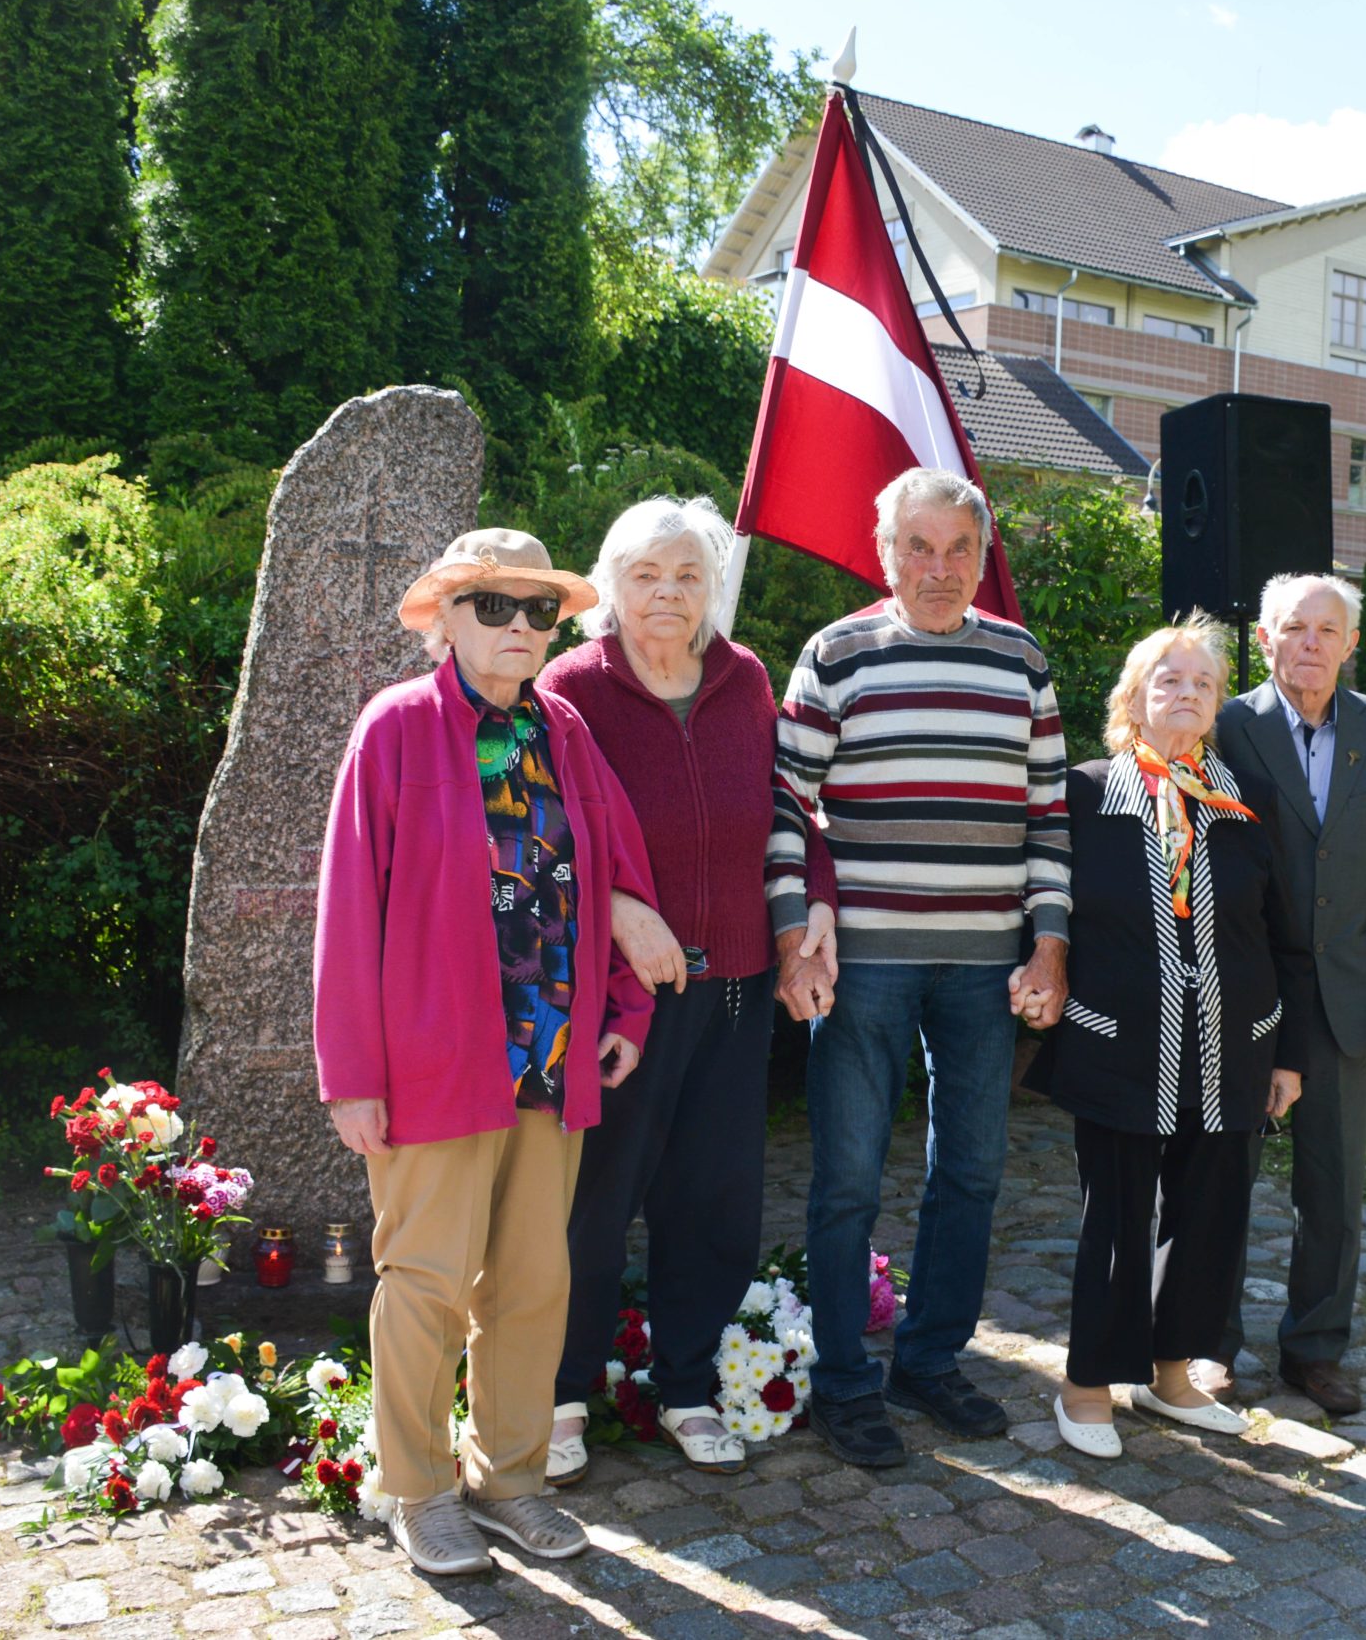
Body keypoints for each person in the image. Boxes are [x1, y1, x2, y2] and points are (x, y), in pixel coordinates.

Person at [314, 528, 656, 1573]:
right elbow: (347, 906)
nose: (519, 626)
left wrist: (625, 1012)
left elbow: (620, 875)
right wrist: (352, 1077)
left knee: (531, 1281)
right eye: (493, 605)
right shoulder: (397, 726)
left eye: (537, 609)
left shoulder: (565, 731)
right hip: (435, 1060)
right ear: (446, 620)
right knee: (423, 1281)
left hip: (550, 1054)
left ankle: (508, 1480)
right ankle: (417, 1489)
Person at [768, 466, 1072, 1467]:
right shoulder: (836, 655)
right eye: (918, 547)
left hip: (985, 969)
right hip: (863, 965)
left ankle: (931, 1358)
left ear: (983, 558)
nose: (939, 569)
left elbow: (1049, 817)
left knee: (971, 1173)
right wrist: (791, 933)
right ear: (884, 551)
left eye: (959, 550)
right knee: (848, 1180)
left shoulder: (1021, 660)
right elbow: (784, 802)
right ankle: (843, 1379)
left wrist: (1050, 942)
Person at [534, 497, 837, 1483]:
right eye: (646, 575)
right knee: (595, 1197)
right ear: (609, 586)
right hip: (620, 996)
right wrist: (620, 905)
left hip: (736, 986)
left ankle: (688, 1388)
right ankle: (561, 1393)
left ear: (713, 587)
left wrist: (812, 906)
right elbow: (542, 831)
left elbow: (790, 807)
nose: (667, 593)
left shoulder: (745, 680)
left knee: (713, 1196)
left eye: (687, 575)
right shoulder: (571, 688)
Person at [1031, 616, 1313, 1461]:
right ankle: (1087, 1386)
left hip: (1234, 1045)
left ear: (1218, 703)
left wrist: (1289, 1054)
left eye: (1201, 683)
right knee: (1116, 1218)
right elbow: (1044, 905)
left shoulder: (1245, 801)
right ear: (1133, 699)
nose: (1186, 693)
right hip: (1119, 1042)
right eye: (1168, 680)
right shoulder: (1085, 794)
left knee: (1209, 1218)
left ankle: (1173, 1376)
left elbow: (1286, 936)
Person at [1207, 572, 1366, 1417]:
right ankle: (1210, 1344)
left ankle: (1315, 1349)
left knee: (1333, 1190)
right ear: (1265, 638)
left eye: (1326, 630)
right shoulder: (1228, 724)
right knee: (1224, 1176)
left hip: (1348, 995)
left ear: (1351, 644)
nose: (1310, 643)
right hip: (1248, 986)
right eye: (1294, 627)